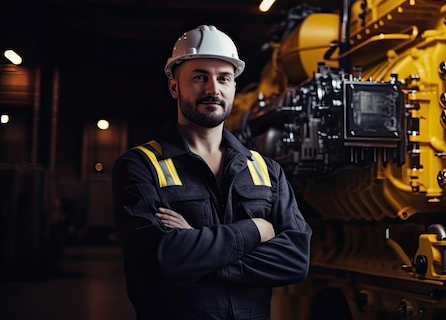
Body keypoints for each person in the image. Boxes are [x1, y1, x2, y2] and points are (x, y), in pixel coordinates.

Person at [111, 24, 312, 320]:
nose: (212, 89)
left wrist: (196, 249)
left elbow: (296, 260)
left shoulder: (266, 171)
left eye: (224, 78)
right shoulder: (140, 166)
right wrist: (256, 229)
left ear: (233, 86)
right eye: (199, 77)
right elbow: (160, 260)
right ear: (174, 86)